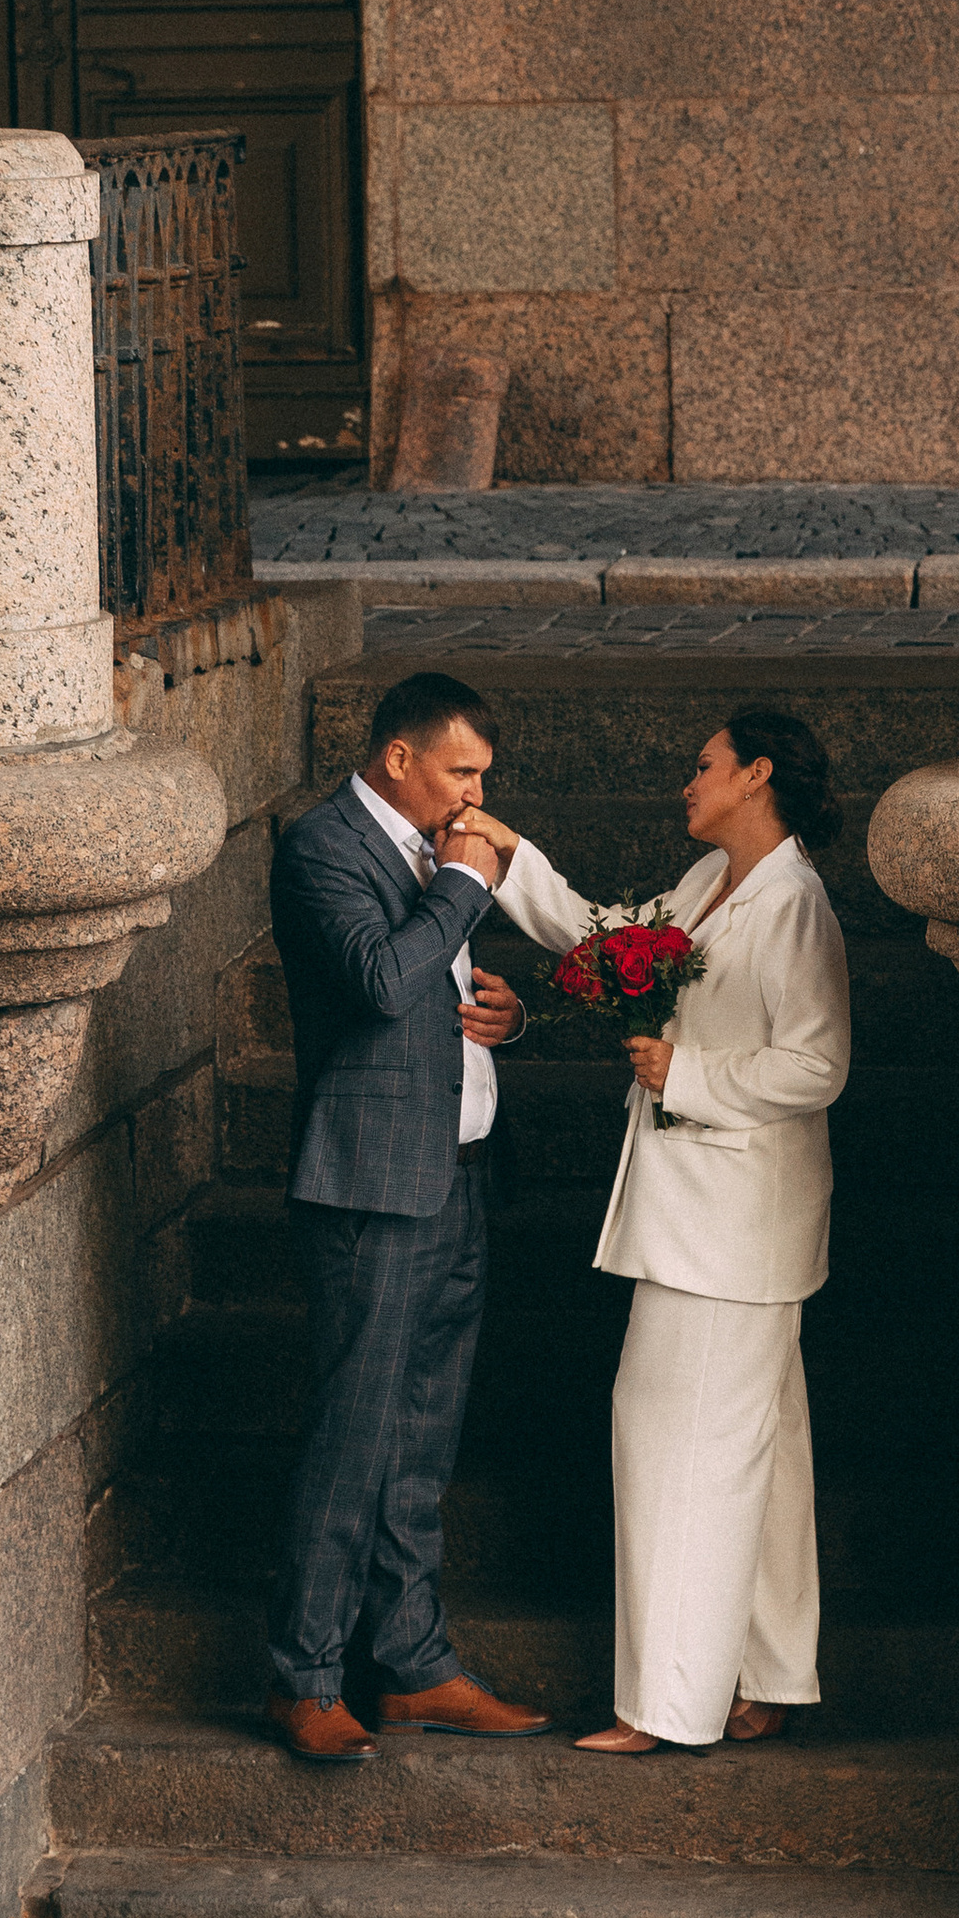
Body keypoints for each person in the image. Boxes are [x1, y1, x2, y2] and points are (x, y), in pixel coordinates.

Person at [483, 706, 850, 1755]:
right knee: (760, 1461)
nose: (686, 784)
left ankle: (664, 1706)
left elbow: (818, 1065)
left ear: (756, 777)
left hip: (733, 1229)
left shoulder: (792, 905)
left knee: (670, 1442)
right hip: (707, 1219)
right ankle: (767, 1677)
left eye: (704, 767)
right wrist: (511, 856)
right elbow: (613, 938)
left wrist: (685, 1074)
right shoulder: (706, 887)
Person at [262, 671, 548, 1763]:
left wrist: (504, 1021)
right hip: (369, 1186)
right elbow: (381, 983)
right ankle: (307, 1676)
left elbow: (432, 992)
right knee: (354, 1436)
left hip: (459, 1168)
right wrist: (467, 890)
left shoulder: (438, 854)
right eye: (461, 771)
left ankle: (415, 1666)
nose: (475, 794)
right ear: (399, 759)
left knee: (423, 1437)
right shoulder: (324, 847)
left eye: (481, 775)